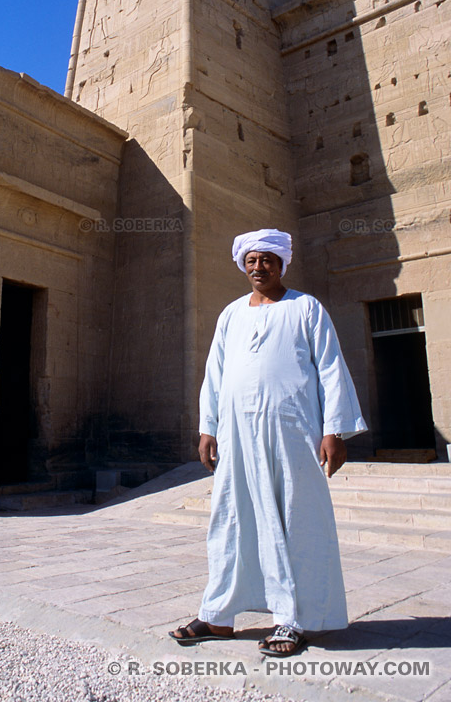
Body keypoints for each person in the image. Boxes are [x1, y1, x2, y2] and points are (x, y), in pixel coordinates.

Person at [169, 228, 367, 656]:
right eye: (253, 261)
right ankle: (218, 615)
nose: (260, 268)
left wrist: (334, 429)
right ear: (244, 265)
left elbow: (331, 368)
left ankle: (292, 619)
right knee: (230, 519)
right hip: (238, 436)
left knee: (296, 518)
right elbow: (215, 375)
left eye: (268, 260)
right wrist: (209, 428)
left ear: (282, 264)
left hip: (294, 434)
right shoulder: (231, 315)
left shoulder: (306, 308)